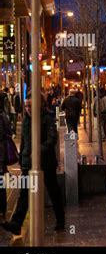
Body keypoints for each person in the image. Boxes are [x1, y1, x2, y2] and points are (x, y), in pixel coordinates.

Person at [2, 94, 65, 235]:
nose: (28, 108)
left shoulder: (47, 118)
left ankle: (60, 220)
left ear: (39, 104)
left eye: (30, 105)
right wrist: (22, 155)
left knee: (53, 189)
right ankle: (17, 223)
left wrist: (38, 151)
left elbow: (52, 139)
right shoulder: (26, 120)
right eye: (26, 106)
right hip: (27, 162)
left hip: (46, 161)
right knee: (24, 192)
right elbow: (25, 139)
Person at [0, 105, 10, 224]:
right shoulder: (3, 116)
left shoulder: (2, 116)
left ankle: (2, 208)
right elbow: (8, 131)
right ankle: (3, 208)